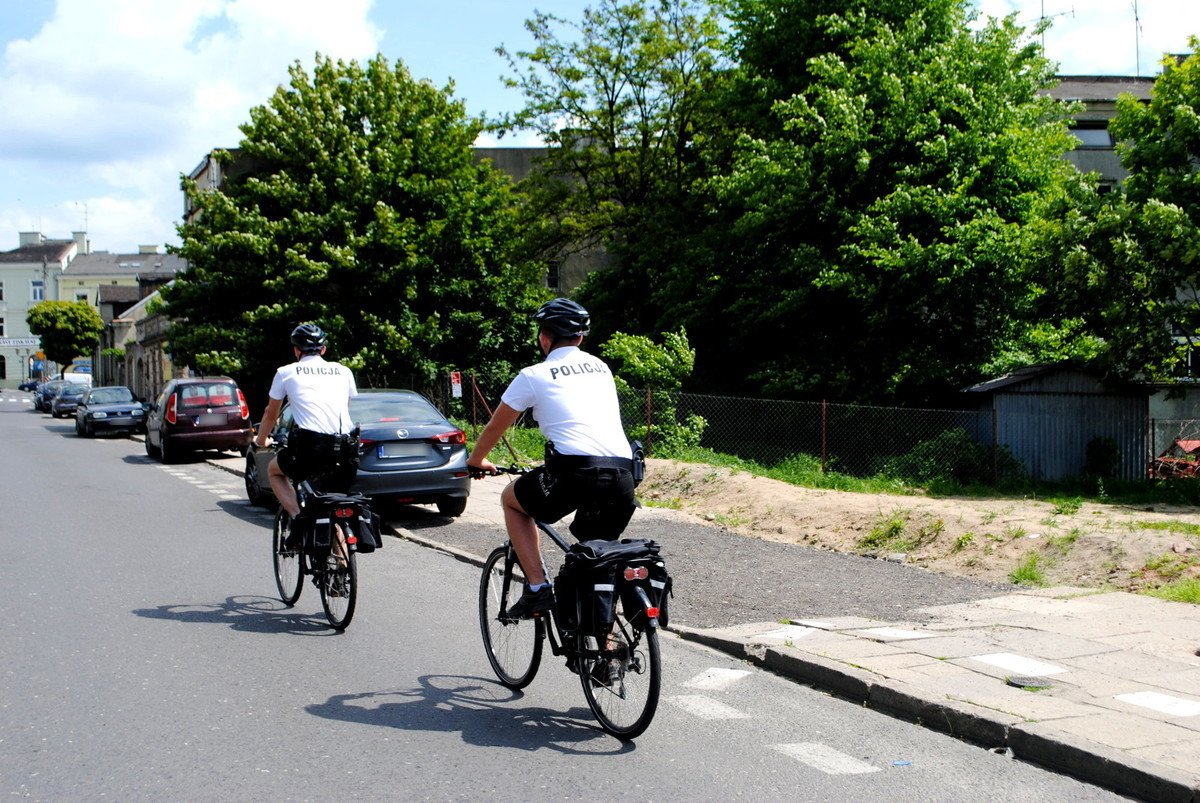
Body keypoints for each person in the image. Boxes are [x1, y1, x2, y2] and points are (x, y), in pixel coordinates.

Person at [467, 298, 637, 619]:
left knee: (511, 500)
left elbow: (494, 427)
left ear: (545, 338)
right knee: (595, 560)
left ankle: (536, 588)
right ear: (581, 338)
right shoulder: (601, 368)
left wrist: (476, 461)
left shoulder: (535, 374)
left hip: (576, 473)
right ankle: (607, 649)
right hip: (624, 476)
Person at [254, 323, 359, 521]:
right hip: (346, 448)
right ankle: (342, 550)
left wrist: (260, 440)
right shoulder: (344, 371)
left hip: (311, 449)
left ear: (296, 350)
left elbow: (271, 413)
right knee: (334, 509)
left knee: (274, 471)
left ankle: (297, 517)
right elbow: (345, 407)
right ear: (324, 349)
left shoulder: (286, 372)